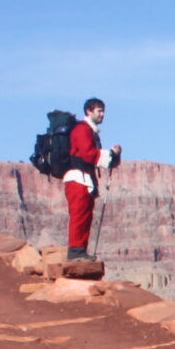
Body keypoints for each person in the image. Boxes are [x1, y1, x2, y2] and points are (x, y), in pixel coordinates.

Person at [61, 98, 122, 261]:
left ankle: (80, 250)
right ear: (89, 111)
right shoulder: (82, 130)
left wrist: (112, 156)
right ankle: (75, 252)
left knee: (85, 214)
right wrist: (109, 155)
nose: (102, 115)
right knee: (79, 214)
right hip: (78, 178)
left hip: (85, 178)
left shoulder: (90, 131)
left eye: (103, 111)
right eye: (99, 111)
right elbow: (88, 153)